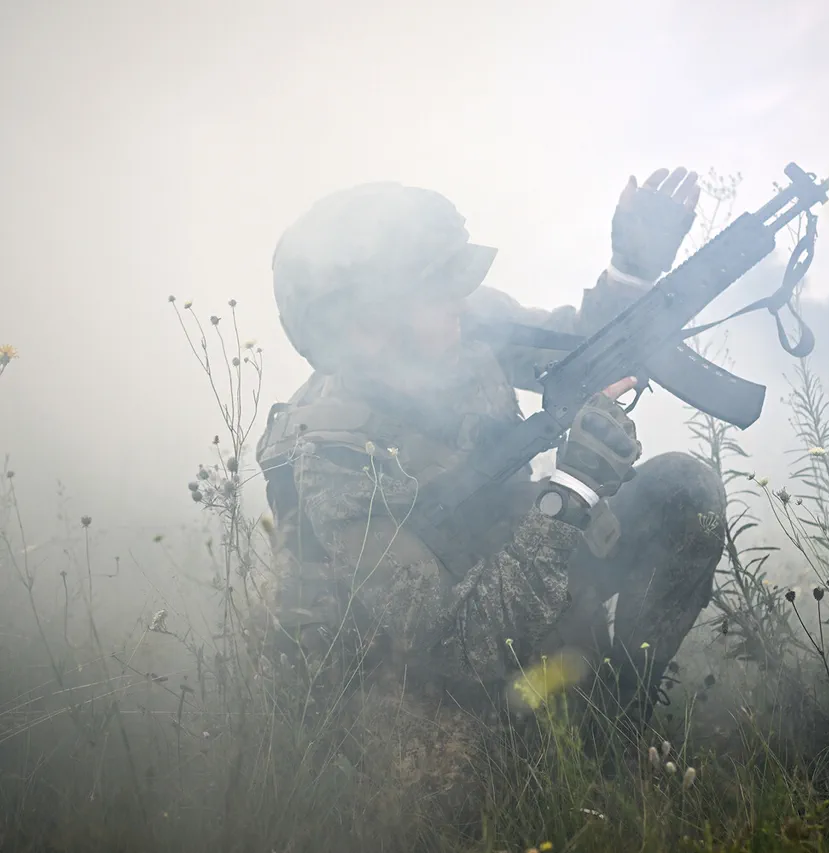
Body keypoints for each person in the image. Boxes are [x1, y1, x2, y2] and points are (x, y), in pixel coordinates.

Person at [252, 169, 727, 827]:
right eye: (433, 289)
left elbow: (588, 351)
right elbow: (454, 645)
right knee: (475, 797)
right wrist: (572, 489)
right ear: (367, 322)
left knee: (685, 493)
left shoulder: (462, 327)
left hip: (514, 565)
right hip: (413, 673)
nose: (459, 300)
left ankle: (618, 716)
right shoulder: (334, 450)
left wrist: (632, 270)